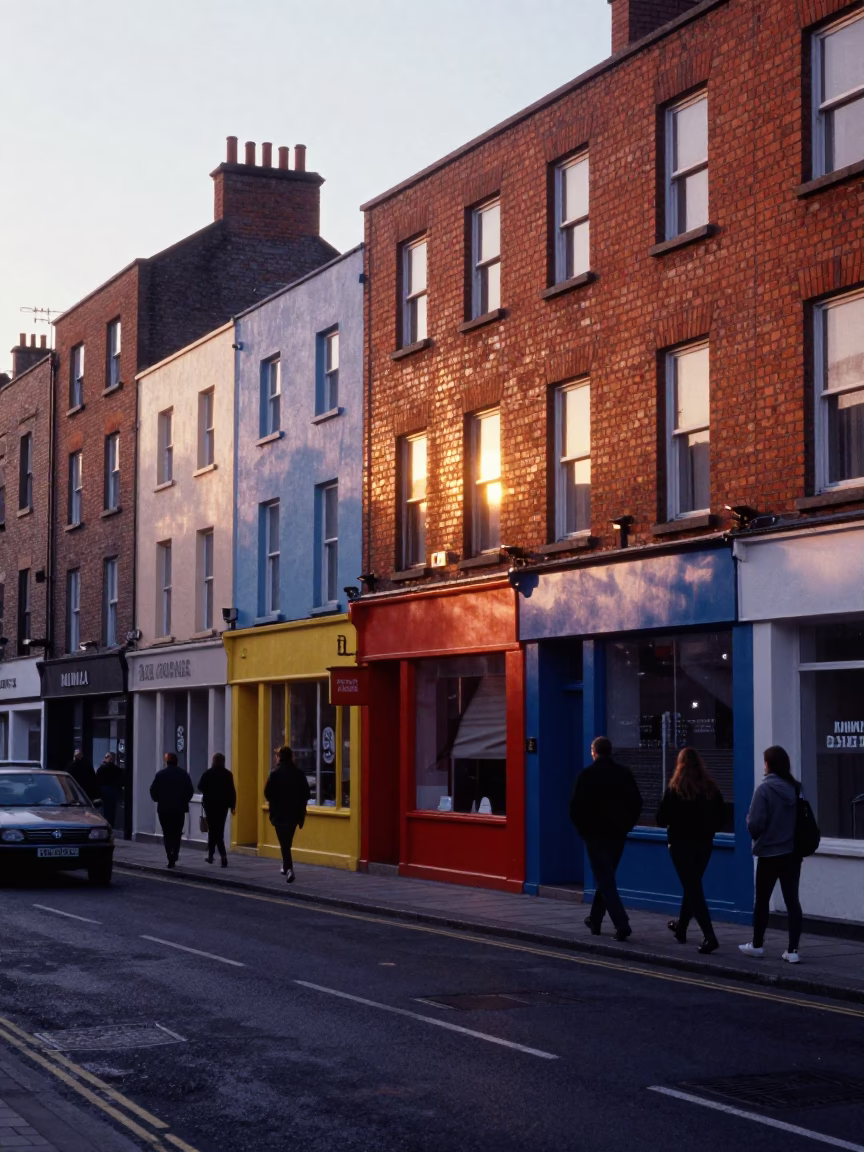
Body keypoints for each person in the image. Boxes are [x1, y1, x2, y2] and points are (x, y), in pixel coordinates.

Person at [570, 736, 643, 941]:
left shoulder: (587, 775)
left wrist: (583, 831)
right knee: (606, 878)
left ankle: (622, 924)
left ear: (593, 752)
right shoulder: (624, 774)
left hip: (595, 836)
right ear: (610, 751)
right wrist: (626, 826)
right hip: (617, 835)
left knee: (605, 879)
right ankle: (595, 919)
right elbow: (637, 802)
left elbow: (575, 808)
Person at [656, 747, 726, 954]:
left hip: (680, 845)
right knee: (692, 885)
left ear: (680, 764)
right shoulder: (710, 788)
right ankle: (681, 929)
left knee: (694, 889)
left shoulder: (675, 788)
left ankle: (709, 936)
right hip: (704, 844)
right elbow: (722, 816)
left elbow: (661, 819)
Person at [739, 745, 804, 964]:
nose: (763, 765)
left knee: (762, 901)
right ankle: (793, 950)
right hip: (791, 853)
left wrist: (749, 820)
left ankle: (757, 945)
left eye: (765, 761)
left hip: (769, 854)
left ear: (769, 765)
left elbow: (755, 825)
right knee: (792, 901)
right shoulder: (795, 789)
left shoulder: (764, 790)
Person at [263, 746, 310, 883]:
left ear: (280, 757)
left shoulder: (274, 774)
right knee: (286, 842)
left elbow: (267, 793)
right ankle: (285, 866)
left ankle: (289, 869)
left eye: (277, 755)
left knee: (284, 843)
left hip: (279, 814)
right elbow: (306, 794)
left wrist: (275, 801)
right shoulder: (299, 774)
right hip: (294, 814)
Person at [149, 752, 194, 868]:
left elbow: (153, 790)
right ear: (176, 762)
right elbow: (190, 791)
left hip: (164, 809)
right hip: (179, 809)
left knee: (167, 832)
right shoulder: (183, 774)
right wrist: (184, 800)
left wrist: (158, 799)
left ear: (166, 762)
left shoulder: (160, 774)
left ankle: (170, 855)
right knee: (177, 832)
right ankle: (175, 853)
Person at [197, 753, 236, 867]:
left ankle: (219, 855)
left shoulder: (208, 774)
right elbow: (232, 791)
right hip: (222, 807)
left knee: (214, 831)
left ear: (213, 761)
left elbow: (200, 787)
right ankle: (213, 855)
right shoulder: (228, 774)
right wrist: (233, 806)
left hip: (210, 806)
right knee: (218, 830)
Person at [95, 752, 124, 828]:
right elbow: (121, 781)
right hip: (113, 791)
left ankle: (103, 825)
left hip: (103, 791)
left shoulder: (102, 769)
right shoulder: (118, 770)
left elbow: (97, 780)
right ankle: (110, 826)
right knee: (111, 811)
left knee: (103, 810)